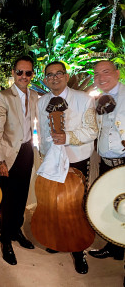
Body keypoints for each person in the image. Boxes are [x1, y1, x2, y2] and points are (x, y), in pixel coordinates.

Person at [37, 61, 98, 274]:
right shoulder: (42, 101)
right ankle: (57, 240)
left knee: (76, 207)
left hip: (77, 159)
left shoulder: (83, 99)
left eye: (58, 74)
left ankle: (79, 250)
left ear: (66, 75)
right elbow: (41, 129)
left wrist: (68, 137)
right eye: (50, 75)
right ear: (45, 79)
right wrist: (44, 154)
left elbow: (92, 131)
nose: (54, 78)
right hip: (52, 161)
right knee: (54, 203)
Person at [0, 56, 38, 265]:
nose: (24, 76)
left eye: (28, 73)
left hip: (27, 150)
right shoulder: (3, 96)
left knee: (22, 195)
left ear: (32, 75)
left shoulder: (36, 96)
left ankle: (17, 230)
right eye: (20, 72)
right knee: (7, 198)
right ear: (13, 72)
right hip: (9, 153)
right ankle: (5, 239)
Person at [88, 60, 125, 261]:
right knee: (111, 207)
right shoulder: (99, 99)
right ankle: (114, 248)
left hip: (124, 162)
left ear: (117, 73)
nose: (101, 77)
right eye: (96, 74)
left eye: (105, 72)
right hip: (106, 163)